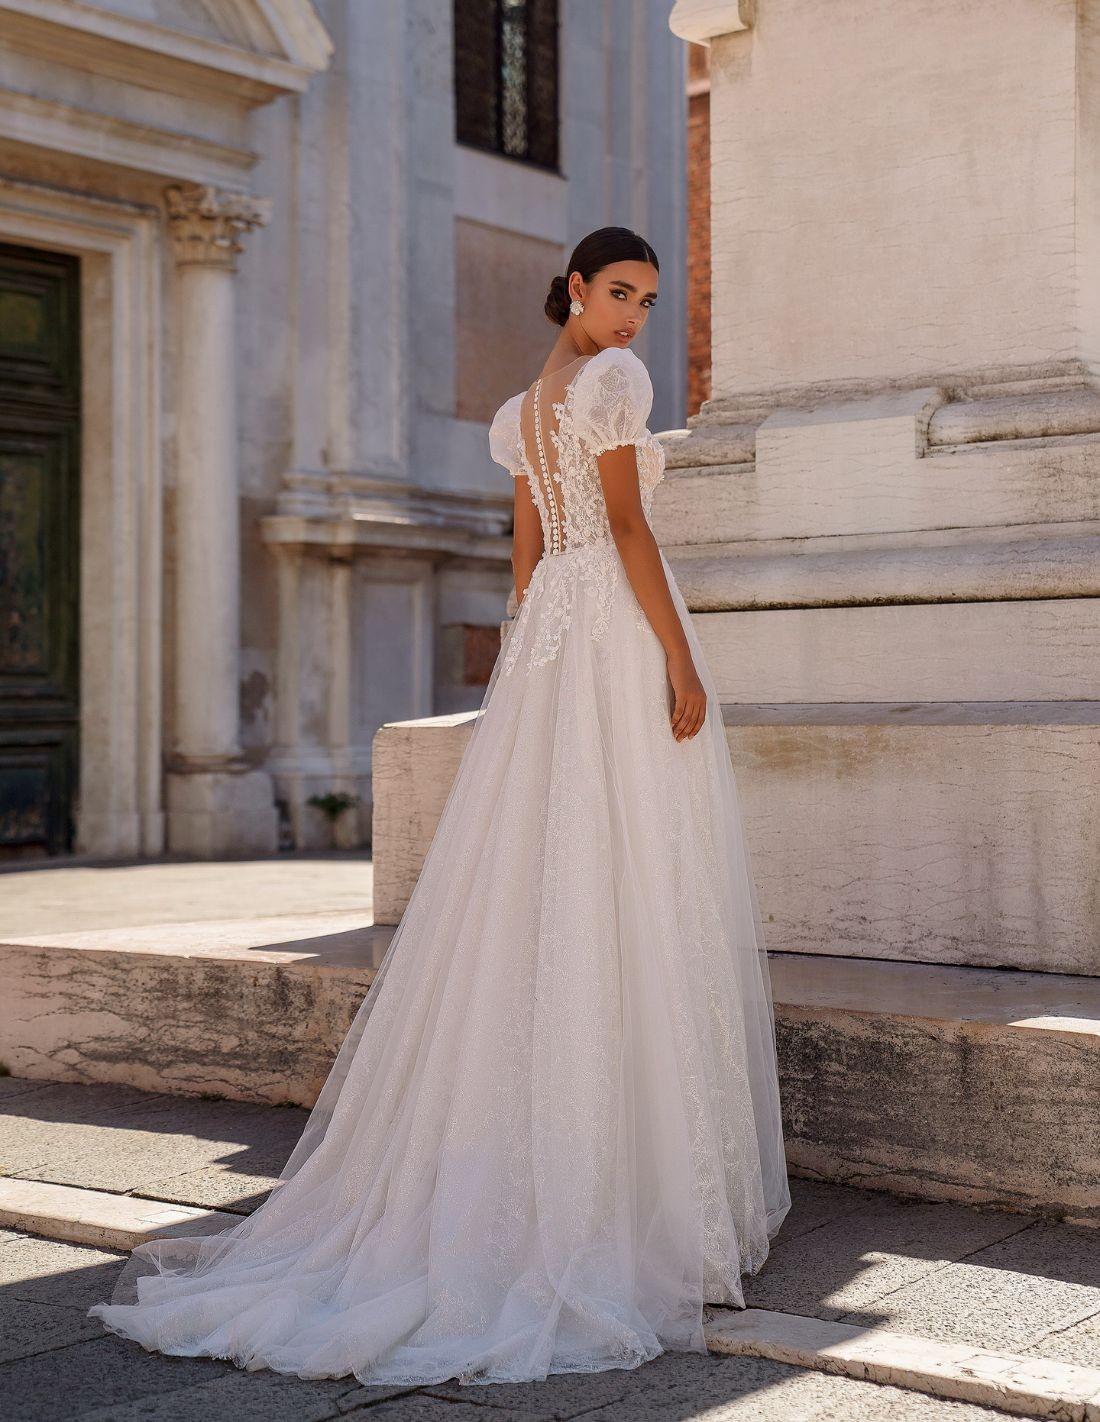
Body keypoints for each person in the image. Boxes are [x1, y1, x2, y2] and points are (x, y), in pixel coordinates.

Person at [88, 225, 790, 1386]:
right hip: (609, 631)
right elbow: (622, 529)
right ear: (574, 286)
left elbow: (526, 551)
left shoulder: (527, 403)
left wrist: (523, 653)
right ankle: (624, 1191)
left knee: (549, 870)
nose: (632, 318)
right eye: (619, 293)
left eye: (648, 301)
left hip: (555, 643)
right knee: (625, 870)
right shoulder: (612, 383)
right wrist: (681, 661)